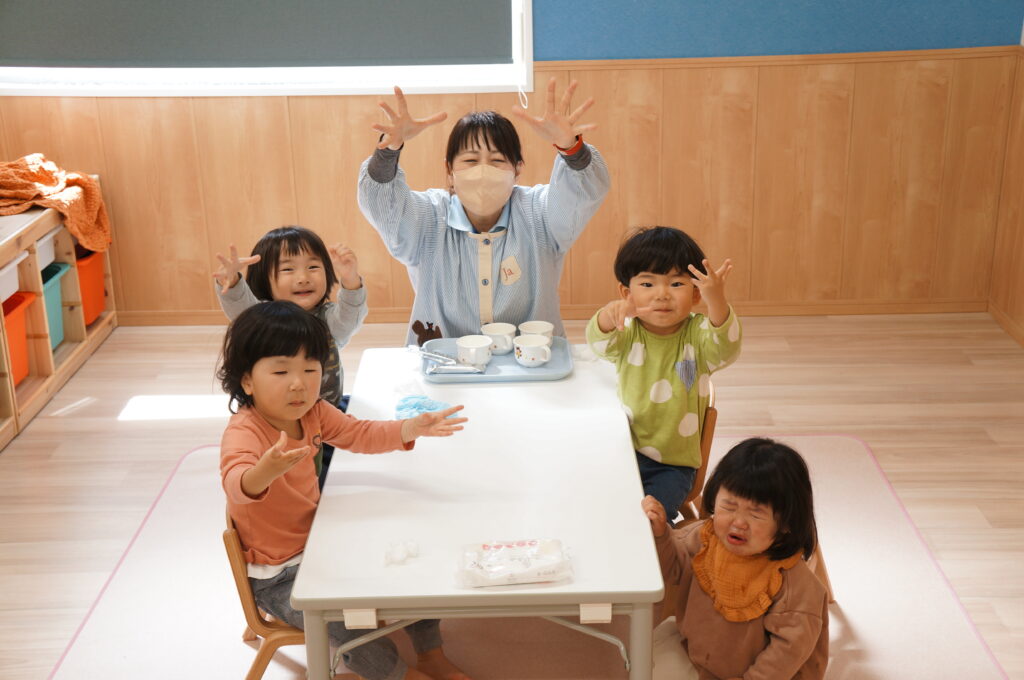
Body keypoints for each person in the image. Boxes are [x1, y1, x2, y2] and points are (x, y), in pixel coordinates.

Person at [218, 300, 472, 680]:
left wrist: (409, 428)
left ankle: (430, 653)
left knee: (414, 571)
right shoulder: (245, 431)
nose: (299, 383)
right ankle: (401, 676)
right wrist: (264, 472)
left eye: (310, 369)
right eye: (281, 371)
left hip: (320, 540)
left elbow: (359, 433)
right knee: (355, 635)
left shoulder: (313, 412)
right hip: (278, 576)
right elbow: (236, 483)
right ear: (247, 380)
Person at [358, 77, 610, 346]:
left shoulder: (539, 213)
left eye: (497, 160)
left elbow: (582, 192)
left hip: (533, 360)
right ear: (449, 170)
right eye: (470, 160)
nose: (483, 171)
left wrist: (570, 147)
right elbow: (383, 205)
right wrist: (389, 151)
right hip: (443, 359)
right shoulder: (429, 217)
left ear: (517, 169)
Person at [586, 226, 741, 521]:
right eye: (647, 284)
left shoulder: (699, 335)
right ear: (626, 293)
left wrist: (717, 300)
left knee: (648, 519)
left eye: (676, 284)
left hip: (673, 465)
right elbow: (598, 342)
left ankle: (657, 546)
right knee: (596, 504)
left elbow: (727, 348)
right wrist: (610, 314)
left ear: (696, 293)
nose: (662, 295)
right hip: (623, 450)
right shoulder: (627, 333)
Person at [643, 438, 829, 680]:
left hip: (762, 676)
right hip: (698, 656)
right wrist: (661, 536)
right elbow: (673, 567)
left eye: (756, 514)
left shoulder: (794, 585)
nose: (739, 522)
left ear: (786, 523)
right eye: (729, 507)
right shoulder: (704, 538)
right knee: (632, 660)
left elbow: (785, 655)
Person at [213, 225, 367, 488]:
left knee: (345, 453)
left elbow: (349, 318)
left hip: (323, 417)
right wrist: (232, 281)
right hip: (278, 421)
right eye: (288, 269)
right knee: (296, 479)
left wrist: (351, 281)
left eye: (313, 267)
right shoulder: (264, 319)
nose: (303, 278)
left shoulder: (328, 319)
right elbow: (241, 308)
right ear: (264, 279)